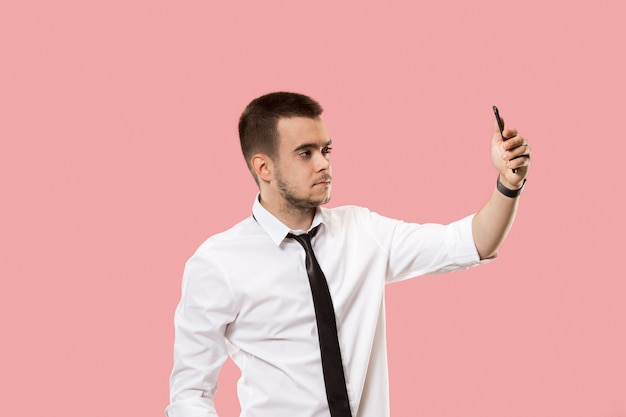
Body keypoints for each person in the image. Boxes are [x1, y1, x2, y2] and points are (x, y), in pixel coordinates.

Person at [165, 91, 531, 417]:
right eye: (305, 153)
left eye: (325, 150)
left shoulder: (362, 231)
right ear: (264, 167)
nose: (323, 164)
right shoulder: (218, 263)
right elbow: (190, 394)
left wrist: (508, 185)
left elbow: (470, 243)